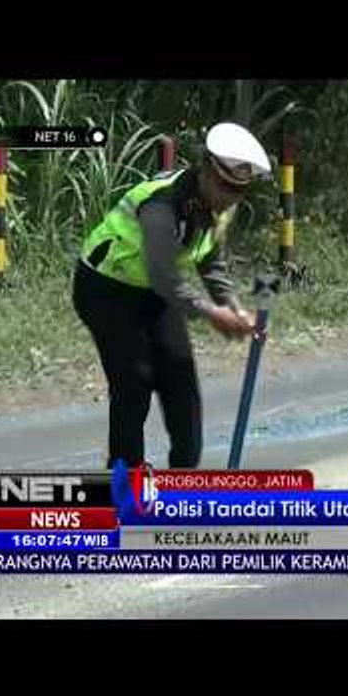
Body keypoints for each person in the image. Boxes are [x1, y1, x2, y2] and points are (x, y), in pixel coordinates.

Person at [73, 122, 272, 470]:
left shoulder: (222, 206)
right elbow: (164, 276)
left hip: (152, 292)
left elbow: (211, 260)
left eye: (239, 191)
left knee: (180, 377)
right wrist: (213, 314)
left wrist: (235, 310)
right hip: (106, 288)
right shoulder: (161, 206)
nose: (230, 197)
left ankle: (184, 477)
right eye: (225, 186)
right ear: (206, 170)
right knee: (134, 379)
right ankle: (126, 476)